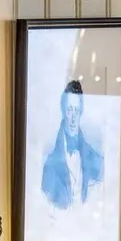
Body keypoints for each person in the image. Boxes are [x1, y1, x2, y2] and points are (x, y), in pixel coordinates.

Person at [41, 80, 103, 210]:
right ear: (63, 112)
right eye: (70, 110)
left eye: (77, 110)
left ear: (81, 112)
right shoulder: (50, 164)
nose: (73, 118)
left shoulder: (94, 159)